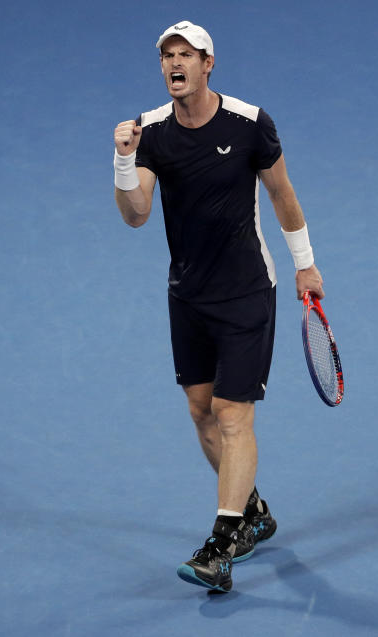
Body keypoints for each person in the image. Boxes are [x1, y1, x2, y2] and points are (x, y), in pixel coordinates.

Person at [112, 20, 325, 593]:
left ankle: (222, 542)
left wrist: (305, 262)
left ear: (210, 64)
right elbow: (135, 215)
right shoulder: (150, 130)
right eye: (167, 56)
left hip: (247, 292)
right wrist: (123, 160)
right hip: (188, 294)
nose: (174, 63)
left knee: (233, 415)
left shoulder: (250, 123)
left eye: (186, 54)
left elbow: (281, 193)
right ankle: (251, 512)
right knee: (201, 411)